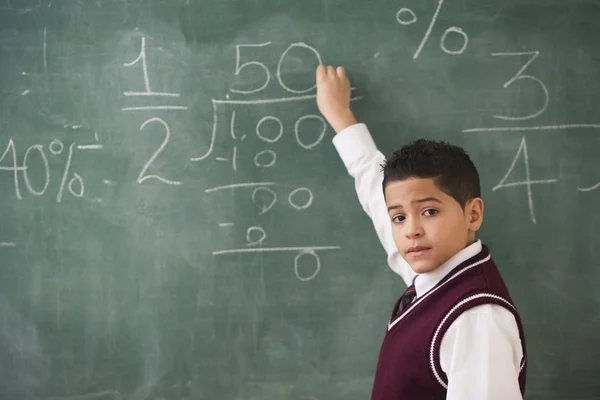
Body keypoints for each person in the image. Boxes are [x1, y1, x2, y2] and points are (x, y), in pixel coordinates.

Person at [315, 65, 527, 400]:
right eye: (399, 218)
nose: (411, 230)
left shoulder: (476, 318)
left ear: (473, 214)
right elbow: (376, 190)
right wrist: (341, 116)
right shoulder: (437, 275)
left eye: (430, 211)